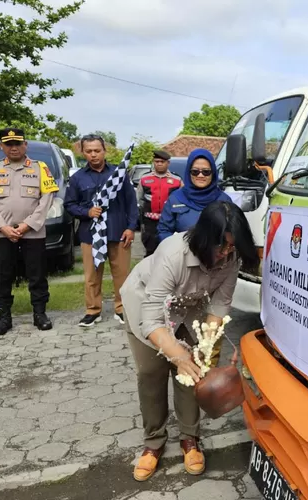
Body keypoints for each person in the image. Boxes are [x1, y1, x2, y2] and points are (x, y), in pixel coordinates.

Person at [120, 201, 259, 481]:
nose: (226, 253)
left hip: (187, 308)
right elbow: (152, 319)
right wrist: (178, 356)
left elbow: (220, 303)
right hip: (147, 307)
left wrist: (207, 346)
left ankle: (190, 439)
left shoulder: (231, 257)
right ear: (204, 238)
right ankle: (153, 442)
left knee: (193, 373)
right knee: (152, 373)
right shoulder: (173, 254)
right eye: (222, 246)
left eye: (233, 246)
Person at [0, 128, 58, 336]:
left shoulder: (40, 168)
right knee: (2, 276)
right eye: (8, 144)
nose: (13, 147)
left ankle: (40, 314)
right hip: (1, 234)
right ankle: (4, 318)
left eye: (17, 143)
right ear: (1, 146)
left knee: (37, 274)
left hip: (33, 233)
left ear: (25, 145)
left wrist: (27, 225)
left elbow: (47, 199)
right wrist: (3, 228)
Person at [64, 134, 138, 328]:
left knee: (122, 274)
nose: (93, 155)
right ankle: (92, 311)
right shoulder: (78, 177)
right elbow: (69, 205)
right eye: (89, 151)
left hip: (118, 231)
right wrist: (86, 212)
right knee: (92, 275)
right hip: (91, 234)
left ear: (104, 151)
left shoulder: (119, 174)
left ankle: (122, 309)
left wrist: (131, 228)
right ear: (83, 152)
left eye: (97, 150)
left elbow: (132, 203)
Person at [157, 149, 230, 242]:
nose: (200, 175)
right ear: (188, 172)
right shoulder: (175, 198)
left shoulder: (224, 200)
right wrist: (177, 247)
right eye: (195, 171)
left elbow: (232, 232)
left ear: (213, 173)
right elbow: (164, 231)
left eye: (206, 172)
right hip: (182, 254)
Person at [137, 150, 181, 256]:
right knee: (150, 251)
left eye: (162, 161)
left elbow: (181, 201)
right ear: (153, 162)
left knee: (168, 251)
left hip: (169, 221)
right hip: (150, 222)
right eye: (157, 161)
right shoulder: (144, 179)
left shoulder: (177, 180)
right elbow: (139, 199)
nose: (159, 164)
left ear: (168, 163)